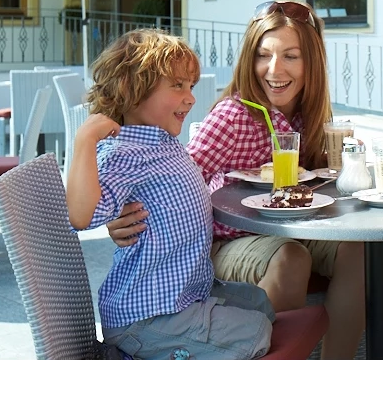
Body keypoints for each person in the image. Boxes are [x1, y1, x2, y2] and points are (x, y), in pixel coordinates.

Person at [105, 1, 366, 360]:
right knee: (291, 259)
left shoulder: (311, 114)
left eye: (291, 56)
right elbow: (176, 177)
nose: (275, 69)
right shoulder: (234, 115)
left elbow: (323, 183)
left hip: (289, 229)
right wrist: (122, 217)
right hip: (227, 242)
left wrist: (352, 160)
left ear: (312, 64)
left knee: (356, 250)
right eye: (264, 55)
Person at [67, 28, 276, 360]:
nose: (191, 97)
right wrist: (83, 143)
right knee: (256, 332)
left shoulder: (163, 142)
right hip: (147, 315)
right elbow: (81, 217)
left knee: (261, 304)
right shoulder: (124, 151)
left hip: (186, 294)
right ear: (130, 87)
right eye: (177, 85)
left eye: (190, 86)